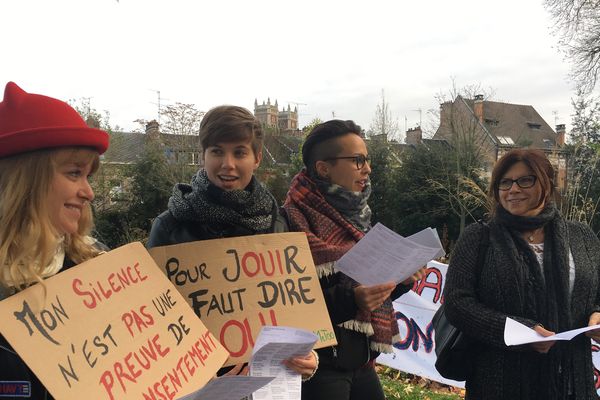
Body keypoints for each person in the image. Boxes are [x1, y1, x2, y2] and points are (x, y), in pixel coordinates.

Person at [146, 105, 317, 378]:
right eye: (216, 151)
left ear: (257, 158)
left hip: (267, 385)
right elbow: (152, 322)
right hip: (198, 386)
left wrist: (308, 359)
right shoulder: (169, 227)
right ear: (203, 156)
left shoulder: (277, 224)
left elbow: (291, 316)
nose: (228, 164)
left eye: (239, 152)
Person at [283, 119, 426, 400]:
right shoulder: (289, 221)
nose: (368, 169)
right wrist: (352, 300)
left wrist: (400, 280)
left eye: (367, 160)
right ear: (324, 168)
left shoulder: (358, 216)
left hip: (361, 360)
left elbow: (366, 287)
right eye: (358, 160)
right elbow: (291, 304)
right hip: (317, 367)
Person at [444, 149, 600, 399]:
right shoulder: (478, 237)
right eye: (505, 182)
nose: (513, 189)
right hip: (500, 383)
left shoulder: (582, 237)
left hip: (573, 383)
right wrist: (517, 331)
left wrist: (597, 314)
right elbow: (456, 303)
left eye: (525, 180)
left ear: (547, 183)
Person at [0, 81, 109, 399]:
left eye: (88, 175)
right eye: (74, 173)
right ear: (25, 181)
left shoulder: (100, 265)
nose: (88, 192)